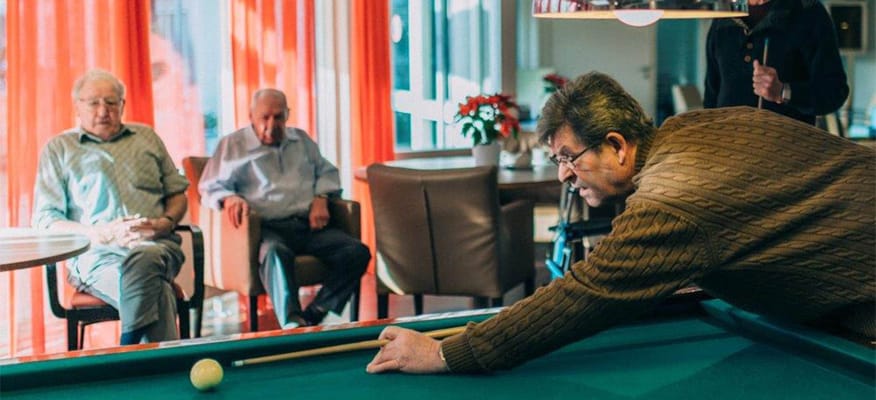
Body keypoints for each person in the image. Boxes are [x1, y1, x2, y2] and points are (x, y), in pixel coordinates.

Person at [366, 72, 874, 374]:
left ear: (616, 145)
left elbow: (583, 294)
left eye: (569, 157)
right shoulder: (692, 126)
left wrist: (447, 354)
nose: (563, 174)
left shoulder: (669, 202)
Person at [33, 69, 189, 345]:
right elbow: (46, 219)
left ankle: (128, 349)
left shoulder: (146, 138)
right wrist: (101, 233)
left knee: (145, 257)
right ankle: (158, 367)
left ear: (123, 105)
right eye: (93, 102)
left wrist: (165, 223)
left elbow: (178, 194)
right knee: (159, 293)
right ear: (77, 106)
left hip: (158, 247)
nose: (103, 110)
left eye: (111, 102)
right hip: (98, 257)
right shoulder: (59, 149)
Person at [198, 88, 370, 328]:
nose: (272, 124)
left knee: (357, 252)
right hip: (266, 229)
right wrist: (229, 198)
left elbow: (327, 172)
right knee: (276, 254)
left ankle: (316, 311)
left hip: (308, 224)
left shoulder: (302, 141)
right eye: (265, 117)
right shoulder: (233, 145)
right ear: (251, 116)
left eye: (279, 117)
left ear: (287, 115)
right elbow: (208, 187)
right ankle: (292, 321)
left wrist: (321, 197)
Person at [703, 0, 848, 125]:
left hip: (785, 151)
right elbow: (711, 97)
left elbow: (834, 92)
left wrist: (783, 92)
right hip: (728, 149)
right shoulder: (723, 16)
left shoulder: (809, 12)